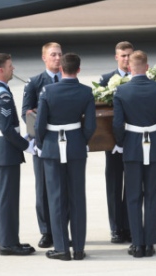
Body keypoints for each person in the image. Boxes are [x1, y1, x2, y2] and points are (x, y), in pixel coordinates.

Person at [35, 53, 96, 261]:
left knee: (56, 198)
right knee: (78, 198)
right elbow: (90, 126)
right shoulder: (86, 92)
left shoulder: (48, 91)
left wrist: (42, 145)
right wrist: (81, 141)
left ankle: (61, 248)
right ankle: (78, 248)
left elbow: (39, 124)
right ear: (78, 69)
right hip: (76, 146)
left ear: (61, 69)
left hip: (53, 147)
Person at [112, 50, 156, 258]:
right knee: (152, 196)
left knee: (133, 196)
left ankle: (137, 244)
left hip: (132, 145)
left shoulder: (121, 91)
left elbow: (118, 124)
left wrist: (121, 143)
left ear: (129, 68)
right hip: (153, 144)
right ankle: (149, 243)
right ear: (147, 67)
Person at [0, 53, 35, 256]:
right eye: (10, 66)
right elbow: (6, 128)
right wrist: (26, 145)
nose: (14, 69)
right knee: (7, 199)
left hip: (2, 149)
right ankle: (7, 244)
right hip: (5, 150)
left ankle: (10, 240)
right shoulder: (3, 95)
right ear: (1, 70)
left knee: (7, 198)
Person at [21, 42, 62, 249]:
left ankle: (62, 229)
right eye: (53, 55)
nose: (57, 58)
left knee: (64, 188)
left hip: (64, 143)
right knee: (44, 189)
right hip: (43, 144)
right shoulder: (35, 82)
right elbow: (26, 112)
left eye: (60, 54)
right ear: (44, 58)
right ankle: (46, 230)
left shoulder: (68, 79)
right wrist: (36, 140)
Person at [98, 41, 133, 244]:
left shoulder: (139, 77)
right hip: (112, 142)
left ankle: (128, 225)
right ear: (116, 57)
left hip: (134, 139)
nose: (127, 59)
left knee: (132, 184)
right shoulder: (105, 80)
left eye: (129, 55)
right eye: (123, 55)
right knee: (113, 185)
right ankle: (115, 228)